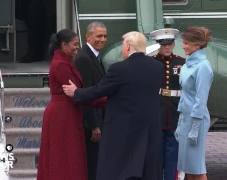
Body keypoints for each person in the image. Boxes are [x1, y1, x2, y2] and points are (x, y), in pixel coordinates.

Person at [63, 31, 164, 180]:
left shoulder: (119, 69)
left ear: (128, 47)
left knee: (119, 169)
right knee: (145, 168)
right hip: (149, 128)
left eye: (123, 45)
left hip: (123, 129)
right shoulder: (158, 67)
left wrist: (77, 92)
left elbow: (98, 90)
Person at [36, 29, 106, 180]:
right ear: (64, 45)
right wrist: (105, 101)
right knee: (64, 158)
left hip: (68, 112)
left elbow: (79, 92)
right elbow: (77, 93)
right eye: (74, 44)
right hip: (63, 115)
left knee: (69, 157)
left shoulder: (66, 61)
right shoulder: (61, 64)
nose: (77, 47)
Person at [174, 26, 213, 180]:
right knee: (187, 167)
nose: (183, 46)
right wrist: (180, 123)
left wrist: (195, 128)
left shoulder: (203, 67)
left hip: (196, 121)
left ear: (197, 45)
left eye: (186, 43)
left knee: (196, 167)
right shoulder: (186, 65)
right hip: (185, 120)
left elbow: (201, 99)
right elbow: (184, 97)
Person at [73, 21, 107, 180]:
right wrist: (93, 125)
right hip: (92, 125)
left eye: (105, 36)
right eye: (99, 36)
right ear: (87, 36)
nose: (103, 39)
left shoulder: (95, 56)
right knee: (92, 166)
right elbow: (85, 93)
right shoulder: (84, 59)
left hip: (100, 119)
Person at [150, 28, 185, 180]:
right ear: (157, 45)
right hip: (156, 112)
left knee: (173, 155)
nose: (166, 47)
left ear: (173, 44)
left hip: (175, 111)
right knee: (156, 155)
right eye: (163, 44)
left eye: (169, 44)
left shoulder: (182, 63)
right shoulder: (150, 63)